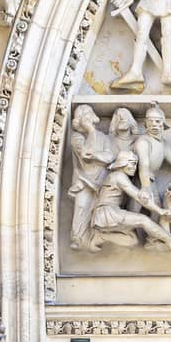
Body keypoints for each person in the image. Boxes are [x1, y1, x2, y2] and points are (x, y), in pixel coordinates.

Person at [68, 105, 115, 249]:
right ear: (78, 121)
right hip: (84, 180)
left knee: (95, 208)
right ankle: (78, 239)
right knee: (82, 207)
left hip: (101, 178)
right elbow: (85, 154)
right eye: (83, 115)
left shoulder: (103, 137)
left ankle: (92, 239)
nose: (87, 116)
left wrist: (96, 155)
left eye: (89, 113)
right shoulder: (77, 137)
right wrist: (91, 131)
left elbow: (110, 157)